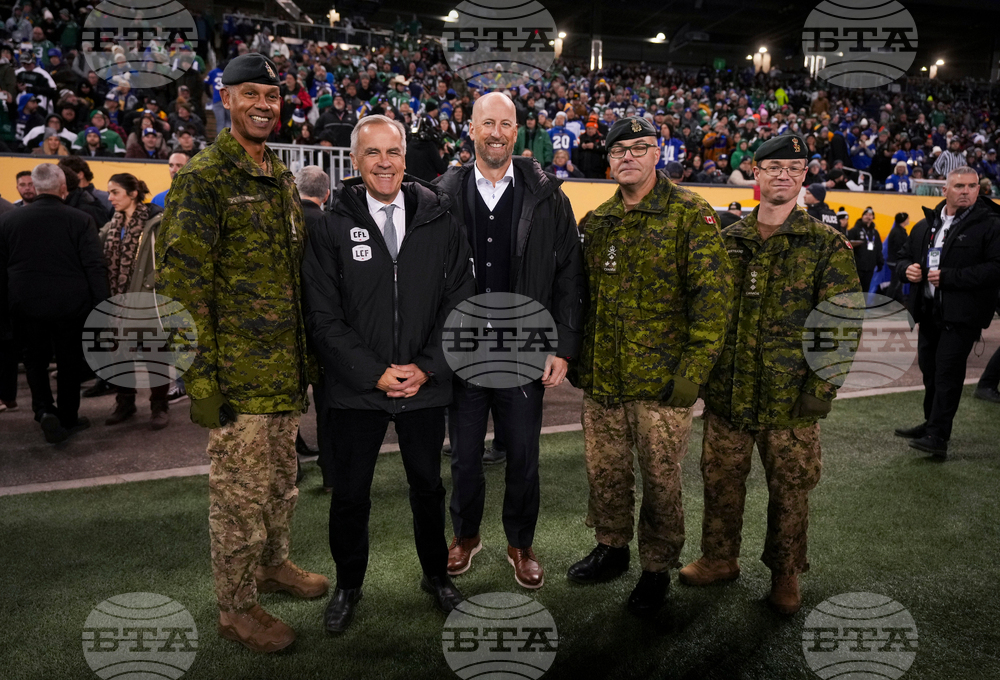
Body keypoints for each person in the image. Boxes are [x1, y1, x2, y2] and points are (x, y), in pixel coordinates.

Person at [155, 53, 329, 654]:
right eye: (249, 93)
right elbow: (180, 288)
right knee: (237, 498)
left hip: (283, 372)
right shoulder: (206, 178)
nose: (262, 104)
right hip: (235, 379)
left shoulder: (277, 174)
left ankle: (273, 565)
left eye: (272, 96)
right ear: (225, 99)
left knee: (282, 483)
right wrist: (199, 380)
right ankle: (234, 609)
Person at [301, 114, 474, 633]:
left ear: (405, 157)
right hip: (357, 389)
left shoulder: (440, 217)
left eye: (392, 152)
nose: (384, 163)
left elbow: (460, 303)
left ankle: (436, 576)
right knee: (351, 493)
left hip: (423, 385)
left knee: (428, 487)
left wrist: (425, 367)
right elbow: (322, 315)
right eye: (372, 153)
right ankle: (348, 584)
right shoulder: (331, 222)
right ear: (354, 161)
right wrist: (373, 372)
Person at [681, 134, 860, 616]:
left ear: (804, 176)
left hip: (790, 401)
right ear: (755, 172)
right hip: (728, 394)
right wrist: (695, 376)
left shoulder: (825, 245)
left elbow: (840, 323)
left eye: (794, 167)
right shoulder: (729, 240)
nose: (783, 174)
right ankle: (720, 560)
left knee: (790, 491)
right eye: (773, 166)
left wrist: (821, 389)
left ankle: (786, 576)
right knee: (719, 481)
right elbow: (706, 314)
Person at [567, 116, 733, 617]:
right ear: (609, 160)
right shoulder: (597, 222)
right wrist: (580, 360)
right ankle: (612, 547)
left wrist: (692, 373)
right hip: (604, 381)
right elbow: (583, 300)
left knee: (662, 482)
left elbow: (714, 301)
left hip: (662, 386)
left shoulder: (691, 214)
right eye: (619, 151)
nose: (628, 158)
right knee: (607, 474)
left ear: (657, 153)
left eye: (640, 148)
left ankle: (656, 569)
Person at [433, 91, 584, 590]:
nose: (496, 132)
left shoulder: (547, 194)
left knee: (522, 455)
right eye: (487, 123)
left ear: (517, 132)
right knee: (465, 455)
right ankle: (466, 536)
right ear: (470, 129)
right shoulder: (443, 192)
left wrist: (562, 345)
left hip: (524, 350)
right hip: (465, 351)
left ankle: (520, 543)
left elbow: (568, 274)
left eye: (506, 123)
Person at [894, 167, 1000, 458]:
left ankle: (938, 436)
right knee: (931, 372)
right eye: (959, 186)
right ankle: (931, 424)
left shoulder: (990, 224)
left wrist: (951, 277)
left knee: (947, 374)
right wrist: (907, 270)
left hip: (962, 315)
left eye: (972, 186)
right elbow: (902, 257)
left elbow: (996, 268)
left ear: (979, 189)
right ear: (945, 190)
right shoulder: (927, 223)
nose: (966, 191)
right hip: (929, 312)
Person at [0, 163, 108, 442]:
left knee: (34, 361)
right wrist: (103, 307)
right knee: (69, 362)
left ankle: (44, 410)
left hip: (24, 305)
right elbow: (95, 266)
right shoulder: (80, 219)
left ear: (33, 188)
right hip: (71, 306)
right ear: (64, 188)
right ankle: (69, 416)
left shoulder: (9, 221)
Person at [98, 173, 171, 430]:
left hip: (147, 301)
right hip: (117, 303)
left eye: (115, 192)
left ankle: (159, 406)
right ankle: (125, 402)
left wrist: (152, 283)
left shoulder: (156, 222)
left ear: (132, 193)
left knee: (155, 356)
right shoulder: (111, 226)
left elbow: (168, 259)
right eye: (109, 192)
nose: (110, 198)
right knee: (119, 356)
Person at [294, 165, 335, 491]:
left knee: (284, 401)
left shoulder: (282, 223)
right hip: (322, 328)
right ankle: (331, 473)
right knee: (327, 403)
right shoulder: (329, 225)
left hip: (284, 328)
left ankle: (287, 466)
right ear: (327, 194)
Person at [847, 207, 884, 294]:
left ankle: (863, 306)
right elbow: (847, 247)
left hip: (870, 267)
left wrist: (880, 262)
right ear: (862, 216)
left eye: (870, 215)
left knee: (865, 290)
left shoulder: (875, 233)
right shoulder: (854, 230)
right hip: (857, 267)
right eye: (866, 214)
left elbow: (879, 248)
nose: (868, 217)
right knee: (855, 289)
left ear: (873, 217)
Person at [883, 212, 910, 302]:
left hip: (895, 260)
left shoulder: (899, 230)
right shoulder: (898, 232)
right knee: (895, 283)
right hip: (895, 261)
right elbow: (900, 247)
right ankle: (887, 302)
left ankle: (900, 301)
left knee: (899, 283)